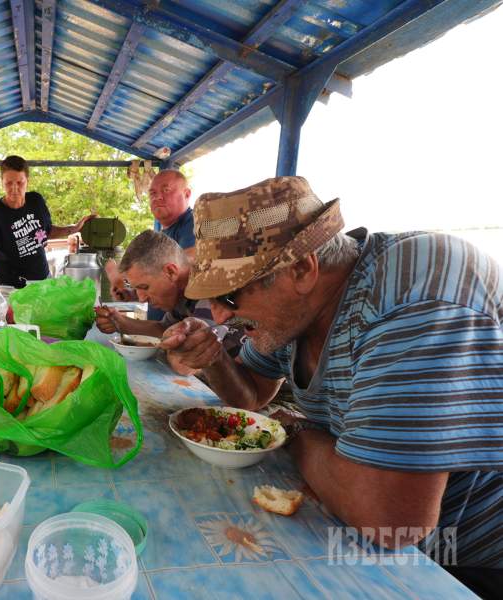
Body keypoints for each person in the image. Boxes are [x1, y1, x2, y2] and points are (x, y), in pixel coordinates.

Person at [161, 176, 503, 594]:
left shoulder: (416, 285)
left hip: (468, 558)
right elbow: (250, 398)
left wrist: (293, 431)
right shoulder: (298, 309)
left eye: (230, 298)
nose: (218, 318)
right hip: (377, 540)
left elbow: (392, 519)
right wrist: (212, 360)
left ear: (302, 268)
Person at [93, 230, 244, 365]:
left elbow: (186, 363)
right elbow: (165, 329)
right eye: (136, 289)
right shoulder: (181, 291)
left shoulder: (207, 290)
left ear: (171, 272)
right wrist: (120, 322)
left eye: (144, 287)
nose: (141, 299)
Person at [0, 155, 95, 287]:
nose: (14, 188)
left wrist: (74, 228)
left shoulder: (36, 201)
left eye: (20, 182)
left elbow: (47, 231)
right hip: (10, 287)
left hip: (42, 280)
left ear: (27, 180)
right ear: (2, 182)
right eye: (9, 183)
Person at [105, 169, 194, 319]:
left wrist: (123, 273)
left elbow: (187, 263)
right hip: (162, 329)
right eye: (152, 193)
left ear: (187, 194)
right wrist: (134, 290)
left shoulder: (193, 223)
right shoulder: (161, 233)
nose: (158, 197)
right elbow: (159, 275)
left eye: (166, 190)